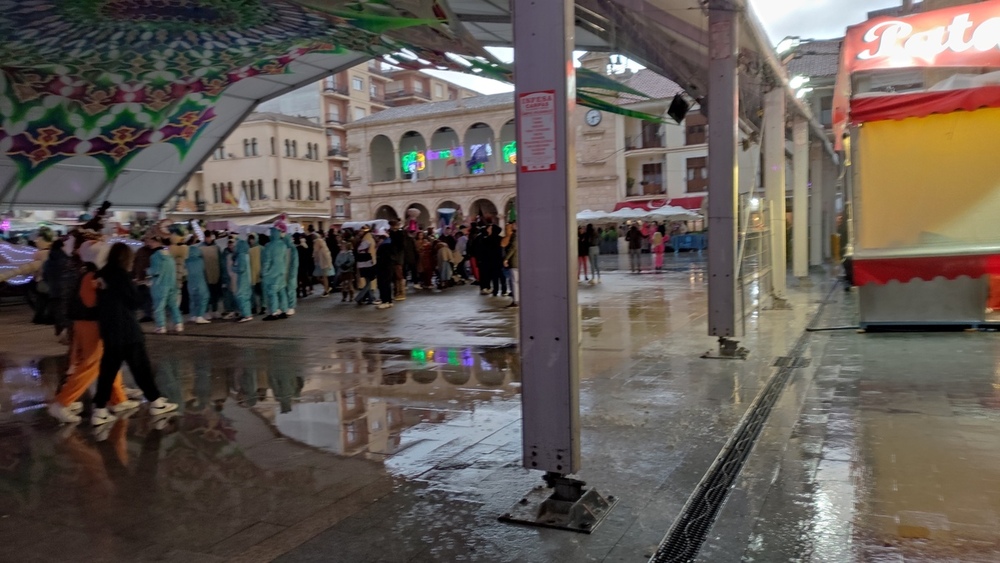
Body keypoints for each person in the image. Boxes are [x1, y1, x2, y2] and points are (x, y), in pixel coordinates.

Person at [48, 241, 137, 424]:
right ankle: (62, 403)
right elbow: (93, 303)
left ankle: (118, 398)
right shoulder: (92, 276)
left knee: (104, 360)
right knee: (92, 363)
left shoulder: (87, 273)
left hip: (87, 323)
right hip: (92, 324)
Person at [92, 242, 178, 426]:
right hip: (126, 330)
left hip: (109, 329)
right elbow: (133, 302)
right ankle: (155, 401)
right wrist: (142, 287)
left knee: (108, 371)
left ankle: (99, 410)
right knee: (141, 368)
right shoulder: (120, 276)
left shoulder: (103, 274)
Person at [149, 235, 183, 333]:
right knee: (173, 306)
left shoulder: (154, 256)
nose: (150, 244)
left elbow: (156, 271)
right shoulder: (169, 256)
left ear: (157, 242)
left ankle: (161, 326)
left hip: (159, 285)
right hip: (172, 284)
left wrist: (147, 271)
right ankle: (178, 324)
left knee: (159, 307)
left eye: (152, 242)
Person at [261, 223, 290, 321]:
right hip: (282, 271)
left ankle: (273, 312)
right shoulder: (283, 245)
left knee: (272, 292)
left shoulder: (269, 246)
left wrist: (264, 272)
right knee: (282, 292)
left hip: (272, 273)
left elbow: (267, 261)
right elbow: (285, 259)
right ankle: (284, 310)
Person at [185, 243, 211, 324]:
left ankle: (193, 315)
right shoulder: (200, 261)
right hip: (200, 282)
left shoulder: (187, 261)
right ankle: (200, 316)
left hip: (190, 283)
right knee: (204, 297)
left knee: (193, 300)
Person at [354, 225, 377, 305]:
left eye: (361, 231)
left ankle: (369, 298)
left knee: (368, 281)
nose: (359, 233)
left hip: (364, 263)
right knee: (368, 282)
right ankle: (360, 297)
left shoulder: (365, 241)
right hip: (368, 263)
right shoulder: (368, 240)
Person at [201, 231, 222, 318]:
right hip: (206, 274)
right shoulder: (201, 248)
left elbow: (220, 261)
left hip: (216, 273)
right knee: (207, 294)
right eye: (206, 237)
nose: (208, 239)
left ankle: (215, 310)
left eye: (209, 237)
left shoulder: (216, 248)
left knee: (215, 293)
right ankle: (206, 311)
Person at [232, 240, 253, 322]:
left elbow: (241, 268)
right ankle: (246, 314)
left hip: (243, 279)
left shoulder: (241, 255)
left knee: (242, 296)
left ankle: (247, 315)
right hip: (247, 278)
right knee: (245, 296)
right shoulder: (246, 254)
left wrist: (233, 268)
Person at [375, 229, 395, 309]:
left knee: (383, 284)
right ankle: (389, 301)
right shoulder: (390, 244)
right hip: (388, 267)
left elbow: (382, 258)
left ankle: (385, 301)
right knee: (387, 284)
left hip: (383, 268)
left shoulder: (384, 246)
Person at [284, 229, 299, 316]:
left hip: (290, 272)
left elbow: (294, 263)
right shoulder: (284, 248)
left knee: (290, 289)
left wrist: (292, 273)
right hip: (285, 272)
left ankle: (291, 306)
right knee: (286, 289)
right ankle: (287, 306)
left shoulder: (292, 249)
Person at [504, 223, 519, 308]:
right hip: (518, 262)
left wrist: (506, 258)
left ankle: (516, 300)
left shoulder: (515, 236)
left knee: (514, 282)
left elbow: (513, 247)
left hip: (515, 262)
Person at [248, 234, 263, 314]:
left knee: (261, 291)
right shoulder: (248, 249)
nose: (251, 241)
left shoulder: (260, 248)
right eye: (250, 239)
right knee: (252, 292)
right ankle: (253, 307)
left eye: (252, 239)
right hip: (251, 274)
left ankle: (263, 306)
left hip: (259, 272)